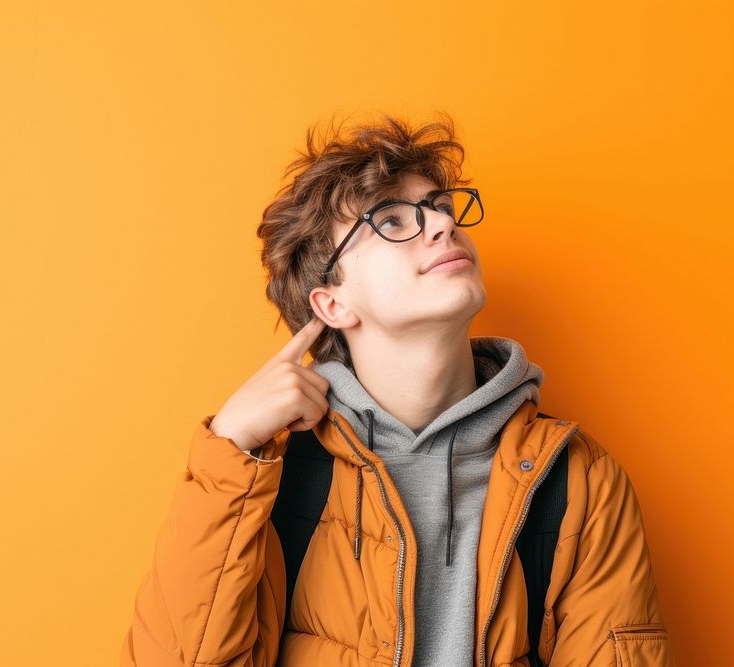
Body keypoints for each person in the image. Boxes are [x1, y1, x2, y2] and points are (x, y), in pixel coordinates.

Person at [120, 113, 675, 666]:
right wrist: (230, 446)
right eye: (389, 220)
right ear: (332, 303)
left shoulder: (580, 481)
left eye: (439, 207)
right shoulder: (269, 473)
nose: (442, 226)